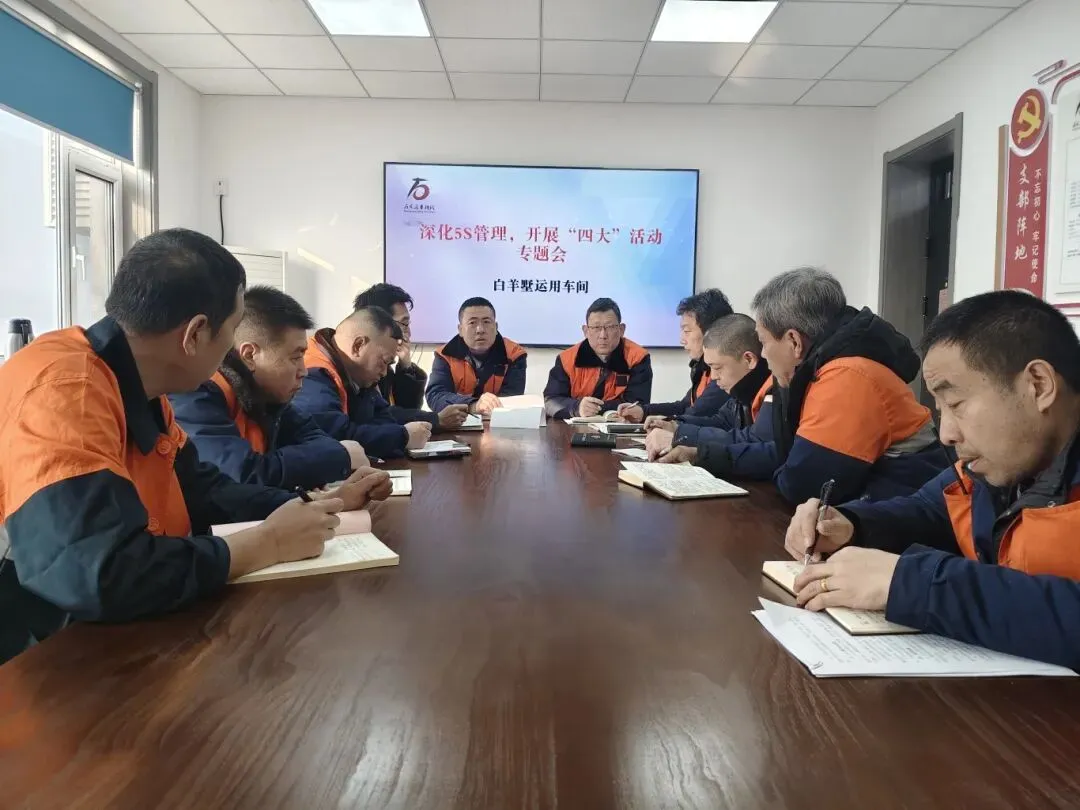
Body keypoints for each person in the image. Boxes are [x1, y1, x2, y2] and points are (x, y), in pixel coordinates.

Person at [0, 229, 391, 661]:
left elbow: (205, 491)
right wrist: (267, 544)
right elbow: (102, 573)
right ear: (195, 334)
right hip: (40, 654)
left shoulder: (137, 383)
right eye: (232, 331)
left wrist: (321, 501)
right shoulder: (67, 391)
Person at [784, 291, 1080, 669]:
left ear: (1038, 385)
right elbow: (929, 509)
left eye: (956, 405)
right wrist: (851, 524)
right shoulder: (996, 463)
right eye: (941, 410)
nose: (947, 434)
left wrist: (910, 583)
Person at [661, 268, 946, 503]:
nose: (762, 355)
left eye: (763, 342)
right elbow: (784, 456)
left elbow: (800, 484)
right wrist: (703, 455)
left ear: (794, 342)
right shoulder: (822, 370)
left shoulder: (847, 377)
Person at [170, 286, 369, 490]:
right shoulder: (199, 395)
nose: (304, 371)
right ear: (250, 355)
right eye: (295, 357)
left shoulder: (267, 396)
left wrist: (331, 456)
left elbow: (316, 438)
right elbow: (244, 476)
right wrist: (340, 455)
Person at [293, 306, 432, 459]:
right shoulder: (313, 374)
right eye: (384, 362)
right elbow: (334, 437)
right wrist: (402, 437)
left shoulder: (358, 374)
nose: (384, 372)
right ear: (358, 346)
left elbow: (384, 418)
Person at [647, 313, 773, 460]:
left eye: (718, 368)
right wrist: (675, 425)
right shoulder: (742, 387)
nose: (713, 376)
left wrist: (682, 437)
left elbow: (755, 440)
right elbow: (721, 421)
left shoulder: (774, 388)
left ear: (749, 359)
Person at [353, 283, 468, 432]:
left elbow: (406, 410)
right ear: (377, 323)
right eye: (404, 324)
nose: (409, 333)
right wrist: (436, 419)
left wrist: (405, 366)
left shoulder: (384, 366)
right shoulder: (358, 368)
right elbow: (379, 417)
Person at [617, 289, 732, 425]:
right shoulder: (702, 367)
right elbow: (684, 406)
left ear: (712, 333)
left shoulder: (725, 370)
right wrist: (643, 411)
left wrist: (669, 424)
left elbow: (697, 413)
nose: (682, 340)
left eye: (687, 331)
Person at [543, 297, 653, 419]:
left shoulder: (637, 358)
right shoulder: (567, 359)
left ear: (621, 329)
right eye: (596, 328)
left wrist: (596, 408)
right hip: (571, 428)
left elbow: (637, 405)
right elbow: (550, 401)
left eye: (610, 327)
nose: (603, 335)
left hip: (620, 427)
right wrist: (577, 407)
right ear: (586, 331)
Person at [426, 297, 527, 416]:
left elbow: (512, 399)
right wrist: (473, 405)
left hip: (498, 421)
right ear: (460, 329)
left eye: (486, 322)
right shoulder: (445, 355)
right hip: (457, 422)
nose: (480, 330)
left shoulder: (514, 354)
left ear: (496, 327)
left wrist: (488, 408)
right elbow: (436, 395)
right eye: (472, 323)